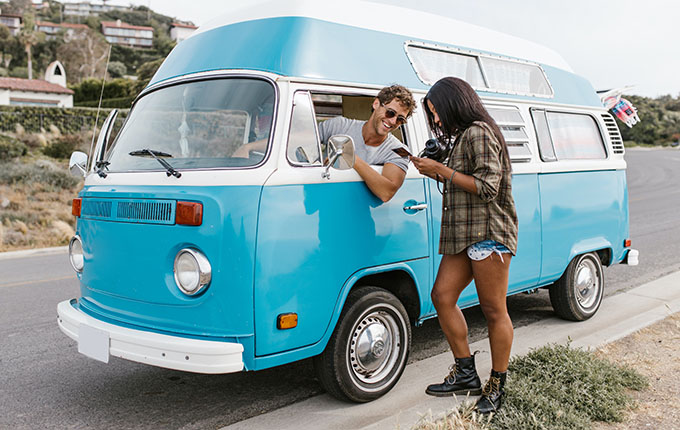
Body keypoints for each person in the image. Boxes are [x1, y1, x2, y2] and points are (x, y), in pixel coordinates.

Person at [411, 77, 518, 413]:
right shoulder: (461, 136)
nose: (437, 120)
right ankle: (466, 373)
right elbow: (463, 179)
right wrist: (437, 171)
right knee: (442, 296)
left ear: (453, 103)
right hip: (462, 233)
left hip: (489, 232)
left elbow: (487, 186)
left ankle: (497, 384)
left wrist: (441, 169)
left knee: (493, 310)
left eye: (437, 112)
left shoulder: (479, 132)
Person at [318, 84, 416, 202]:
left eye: (400, 119)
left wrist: (352, 158)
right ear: (376, 104)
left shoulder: (400, 151)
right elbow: (299, 146)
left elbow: (386, 192)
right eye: (390, 113)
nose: (393, 121)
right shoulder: (339, 126)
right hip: (325, 201)